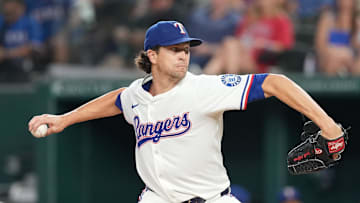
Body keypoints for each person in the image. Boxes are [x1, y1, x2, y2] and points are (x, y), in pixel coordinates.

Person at [28, 20, 344, 203]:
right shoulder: (138, 94)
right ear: (151, 54)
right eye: (175, 50)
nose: (184, 56)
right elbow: (117, 100)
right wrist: (63, 119)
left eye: (186, 50)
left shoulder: (203, 88)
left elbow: (276, 82)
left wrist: (328, 126)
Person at [204, 0, 294, 74]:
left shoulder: (281, 20)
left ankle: (206, 79)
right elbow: (239, 39)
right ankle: (230, 78)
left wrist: (264, 44)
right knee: (223, 55)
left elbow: (283, 46)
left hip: (258, 63)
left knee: (228, 46)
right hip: (239, 56)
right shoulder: (250, 17)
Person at [0, 0, 44, 82]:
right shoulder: (2, 22)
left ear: (21, 8)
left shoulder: (30, 22)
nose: (8, 16)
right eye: (6, 13)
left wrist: (6, 53)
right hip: (4, 68)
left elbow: (33, 48)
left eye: (12, 12)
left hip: (25, 68)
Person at [315, 0, 360, 75]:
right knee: (333, 62)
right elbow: (320, 45)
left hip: (351, 58)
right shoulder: (327, 19)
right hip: (329, 57)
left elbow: (356, 46)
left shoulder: (357, 21)